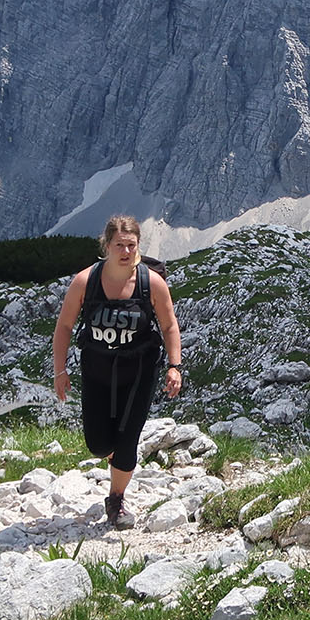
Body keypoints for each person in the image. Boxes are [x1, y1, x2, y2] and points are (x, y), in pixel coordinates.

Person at [51, 215, 183, 529]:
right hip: (97, 368)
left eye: (131, 245)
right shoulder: (86, 281)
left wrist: (175, 366)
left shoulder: (152, 282)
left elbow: (168, 325)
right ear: (107, 245)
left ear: (138, 246)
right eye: (119, 245)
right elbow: (65, 326)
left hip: (139, 371)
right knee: (98, 444)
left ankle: (116, 499)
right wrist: (60, 371)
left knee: (127, 441)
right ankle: (113, 458)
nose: (125, 251)